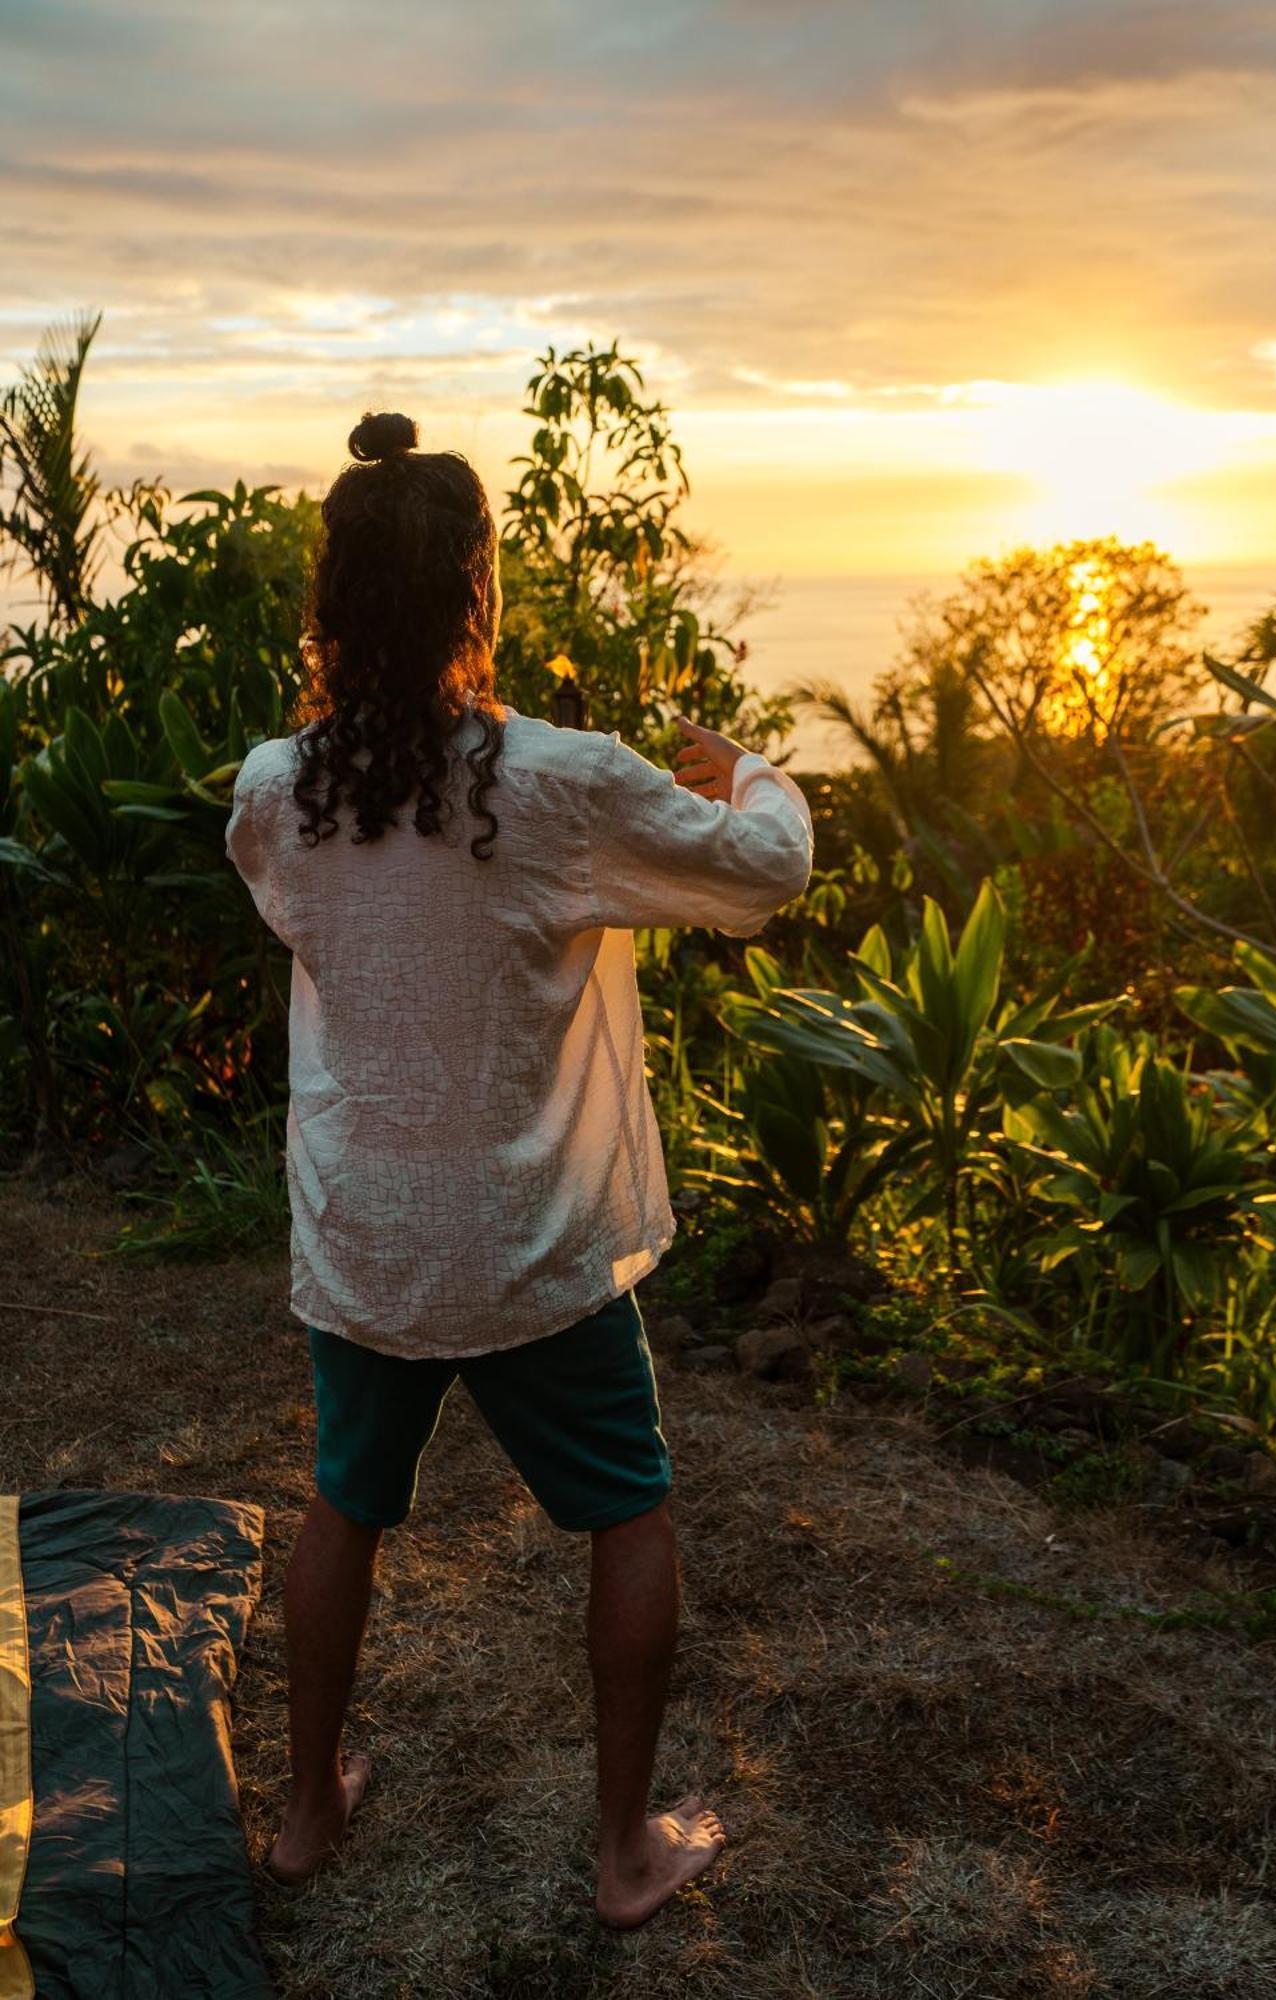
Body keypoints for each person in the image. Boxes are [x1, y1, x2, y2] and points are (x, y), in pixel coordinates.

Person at [223, 409, 814, 1929]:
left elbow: (311, 919)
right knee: (629, 1510)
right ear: (477, 591)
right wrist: (750, 777)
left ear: (335, 598)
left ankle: (306, 1817)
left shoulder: (279, 790)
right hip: (531, 1236)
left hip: (371, 1237)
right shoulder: (553, 784)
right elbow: (761, 872)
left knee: (343, 1505)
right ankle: (624, 1855)